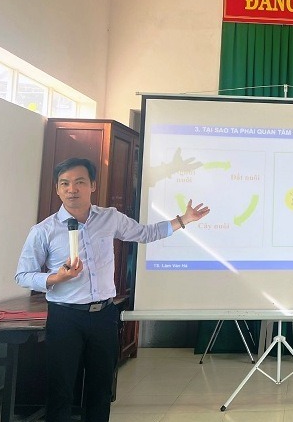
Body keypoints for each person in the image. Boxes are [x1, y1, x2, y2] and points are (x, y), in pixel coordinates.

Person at [15, 157, 210, 422]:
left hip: (104, 316)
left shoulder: (109, 218)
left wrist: (183, 220)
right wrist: (56, 278)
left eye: (79, 182)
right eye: (65, 184)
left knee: (101, 389)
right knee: (60, 390)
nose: (72, 189)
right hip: (65, 318)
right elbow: (23, 275)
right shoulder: (43, 230)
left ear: (93, 185)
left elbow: (145, 233)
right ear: (57, 189)